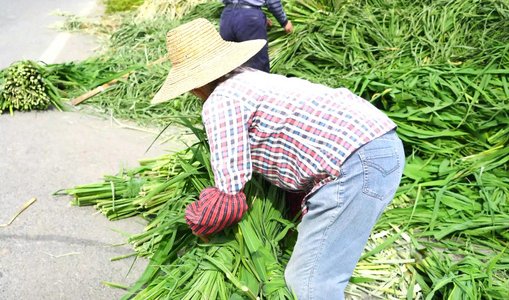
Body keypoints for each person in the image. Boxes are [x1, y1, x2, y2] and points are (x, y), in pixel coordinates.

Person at [152, 18, 405, 300]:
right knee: (317, 272)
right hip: (380, 146)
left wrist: (199, 220)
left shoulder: (221, 100)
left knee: (308, 285)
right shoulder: (253, 79)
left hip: (357, 163)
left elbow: (229, 198)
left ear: (193, 85)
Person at [219, 0, 293, 73]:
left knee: (227, 68)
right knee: (257, 68)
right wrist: (284, 22)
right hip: (250, 18)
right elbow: (273, 2)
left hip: (227, 16)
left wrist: (258, 17)